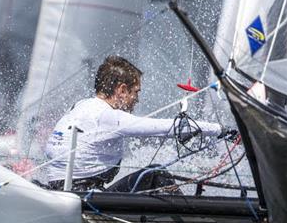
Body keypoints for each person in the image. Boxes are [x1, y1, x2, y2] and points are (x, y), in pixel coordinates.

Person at [45, 56, 236, 192]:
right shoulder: (108, 117)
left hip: (58, 191)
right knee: (155, 175)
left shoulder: (79, 106)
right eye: (136, 92)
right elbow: (168, 128)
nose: (137, 100)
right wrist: (224, 131)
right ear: (122, 90)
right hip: (80, 197)